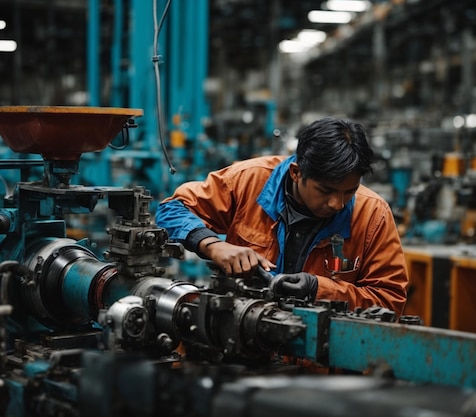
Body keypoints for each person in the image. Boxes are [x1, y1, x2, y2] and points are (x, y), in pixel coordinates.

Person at [155, 117, 408, 315]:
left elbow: (389, 301)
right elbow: (172, 209)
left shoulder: (373, 215)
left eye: (349, 192)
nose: (337, 203)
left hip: (321, 369)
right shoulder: (247, 182)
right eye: (326, 190)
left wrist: (318, 289)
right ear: (297, 173)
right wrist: (213, 245)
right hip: (243, 354)